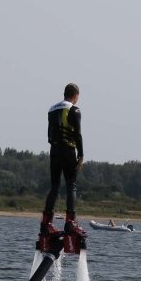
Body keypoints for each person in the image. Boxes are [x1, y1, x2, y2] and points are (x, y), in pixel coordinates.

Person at [40, 83, 85, 236]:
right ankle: (70, 223)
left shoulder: (52, 109)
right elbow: (78, 134)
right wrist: (81, 155)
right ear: (75, 95)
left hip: (54, 150)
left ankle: (46, 223)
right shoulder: (74, 109)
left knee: (54, 186)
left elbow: (49, 134)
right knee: (71, 185)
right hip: (68, 150)